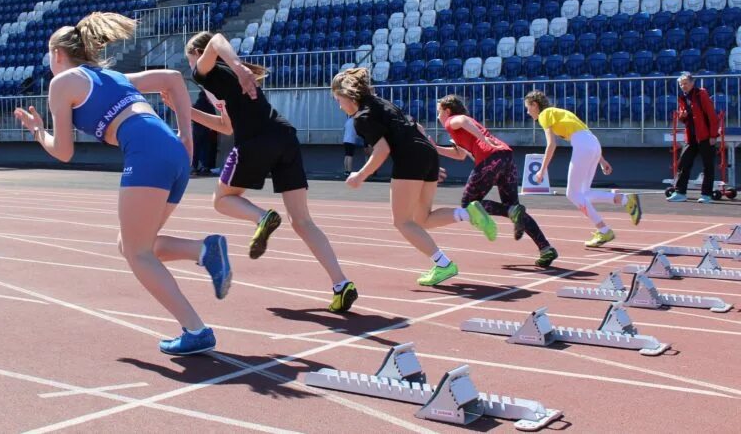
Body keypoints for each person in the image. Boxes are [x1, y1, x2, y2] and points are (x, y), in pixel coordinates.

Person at [13, 12, 230, 356]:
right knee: (132, 243)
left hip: (146, 152)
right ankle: (204, 251)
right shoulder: (113, 76)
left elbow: (64, 151)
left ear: (57, 54)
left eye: (49, 56)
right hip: (171, 153)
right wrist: (187, 138)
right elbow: (173, 78)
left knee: (136, 251)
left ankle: (196, 329)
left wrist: (38, 131)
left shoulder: (63, 82)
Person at [184, 31, 357, 313]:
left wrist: (238, 67)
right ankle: (341, 283)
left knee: (221, 199)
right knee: (302, 221)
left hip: (255, 141)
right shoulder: (223, 85)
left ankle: (262, 217)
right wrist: (189, 112)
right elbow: (227, 127)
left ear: (200, 56)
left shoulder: (207, 73)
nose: (191, 66)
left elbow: (216, 39)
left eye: (192, 59)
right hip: (283, 135)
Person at [332, 69, 497, 286]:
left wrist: (360, 176)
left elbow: (382, 150)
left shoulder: (362, 117)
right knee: (421, 219)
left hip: (411, 159)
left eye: (338, 99)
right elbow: (416, 127)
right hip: (426, 153)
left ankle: (443, 264)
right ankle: (468, 214)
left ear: (348, 95)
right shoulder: (382, 103)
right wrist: (427, 165)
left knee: (402, 221)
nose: (339, 105)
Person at [434, 95, 558, 268]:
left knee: (468, 203)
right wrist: (435, 148)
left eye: (438, 111)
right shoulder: (457, 131)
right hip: (506, 156)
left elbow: (462, 120)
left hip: (489, 158)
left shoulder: (452, 120)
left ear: (447, 111)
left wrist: (483, 140)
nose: (437, 115)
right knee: (514, 210)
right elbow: (460, 155)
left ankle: (511, 210)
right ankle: (546, 248)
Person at [524, 91, 642, 247]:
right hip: (593, 144)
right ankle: (625, 200)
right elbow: (586, 135)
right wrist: (601, 159)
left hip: (583, 145)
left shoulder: (545, 114)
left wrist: (542, 169)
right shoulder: (561, 112)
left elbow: (551, 144)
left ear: (534, 105)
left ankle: (604, 230)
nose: (527, 112)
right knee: (584, 194)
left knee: (572, 194)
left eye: (528, 108)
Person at [668, 72, 719, 203]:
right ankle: (680, 193)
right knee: (683, 163)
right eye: (681, 84)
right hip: (691, 137)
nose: (683, 86)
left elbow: (712, 116)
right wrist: (682, 116)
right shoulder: (683, 98)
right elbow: (685, 118)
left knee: (708, 166)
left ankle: (706, 195)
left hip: (705, 136)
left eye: (685, 83)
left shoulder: (701, 94)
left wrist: (713, 135)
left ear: (692, 83)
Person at [191, 89, 218, 176]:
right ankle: (205, 167)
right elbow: (214, 116)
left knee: (196, 149)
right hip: (206, 130)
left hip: (197, 130)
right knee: (206, 149)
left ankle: (194, 167)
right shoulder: (209, 106)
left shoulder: (196, 105)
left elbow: (191, 117)